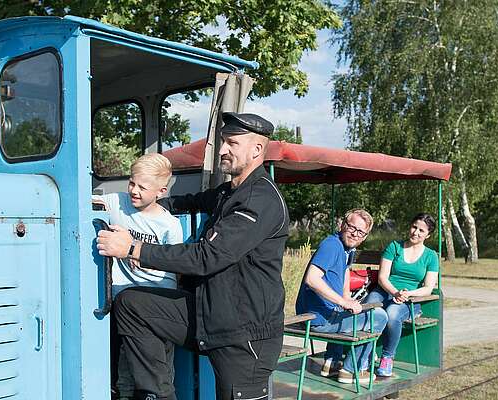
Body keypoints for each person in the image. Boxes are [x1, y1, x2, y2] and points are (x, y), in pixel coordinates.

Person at [97, 112, 289, 400]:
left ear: (257, 150)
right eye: (223, 141)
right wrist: (152, 205)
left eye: (232, 144)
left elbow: (206, 257)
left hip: (244, 333)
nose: (223, 150)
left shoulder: (259, 199)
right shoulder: (230, 193)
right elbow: (191, 201)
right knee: (132, 304)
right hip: (210, 312)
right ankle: (158, 395)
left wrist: (133, 249)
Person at [93, 153, 184, 399]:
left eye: (142, 187)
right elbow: (86, 200)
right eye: (131, 183)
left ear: (161, 191)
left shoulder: (170, 225)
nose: (134, 190)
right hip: (124, 308)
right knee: (125, 370)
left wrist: (137, 254)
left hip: (156, 306)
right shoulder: (116, 203)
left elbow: (175, 266)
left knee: (159, 370)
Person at [295, 209, 387, 384]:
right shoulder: (331, 245)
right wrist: (343, 301)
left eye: (360, 232)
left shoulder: (347, 248)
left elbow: (345, 269)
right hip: (317, 319)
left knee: (350, 312)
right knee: (379, 317)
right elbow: (312, 279)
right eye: (352, 227)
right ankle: (352, 370)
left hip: (326, 315)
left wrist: (347, 297)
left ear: (365, 236)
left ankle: (332, 362)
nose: (354, 234)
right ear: (343, 225)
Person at [364, 213, 439, 377]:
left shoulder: (431, 256)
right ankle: (364, 354)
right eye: (414, 227)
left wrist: (407, 294)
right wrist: (394, 292)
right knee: (369, 308)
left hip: (410, 299)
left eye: (421, 231)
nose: (416, 233)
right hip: (385, 291)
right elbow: (383, 277)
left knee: (392, 314)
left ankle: (387, 357)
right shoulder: (395, 247)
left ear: (428, 235)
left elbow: (427, 288)